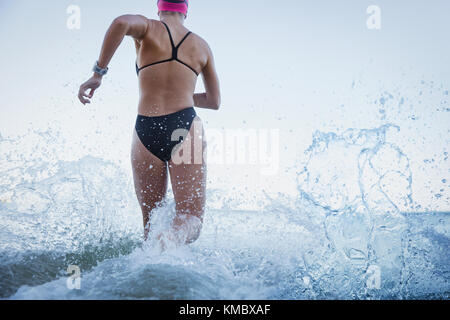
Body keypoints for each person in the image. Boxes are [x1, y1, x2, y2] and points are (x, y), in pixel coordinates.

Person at [78, 0, 221, 248]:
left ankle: (154, 254)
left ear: (160, 7)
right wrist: (185, 94)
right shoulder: (202, 46)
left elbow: (121, 22)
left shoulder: (148, 28)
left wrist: (97, 74)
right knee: (190, 219)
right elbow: (213, 100)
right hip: (185, 127)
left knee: (150, 224)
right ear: (186, 10)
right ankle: (170, 239)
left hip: (145, 130)